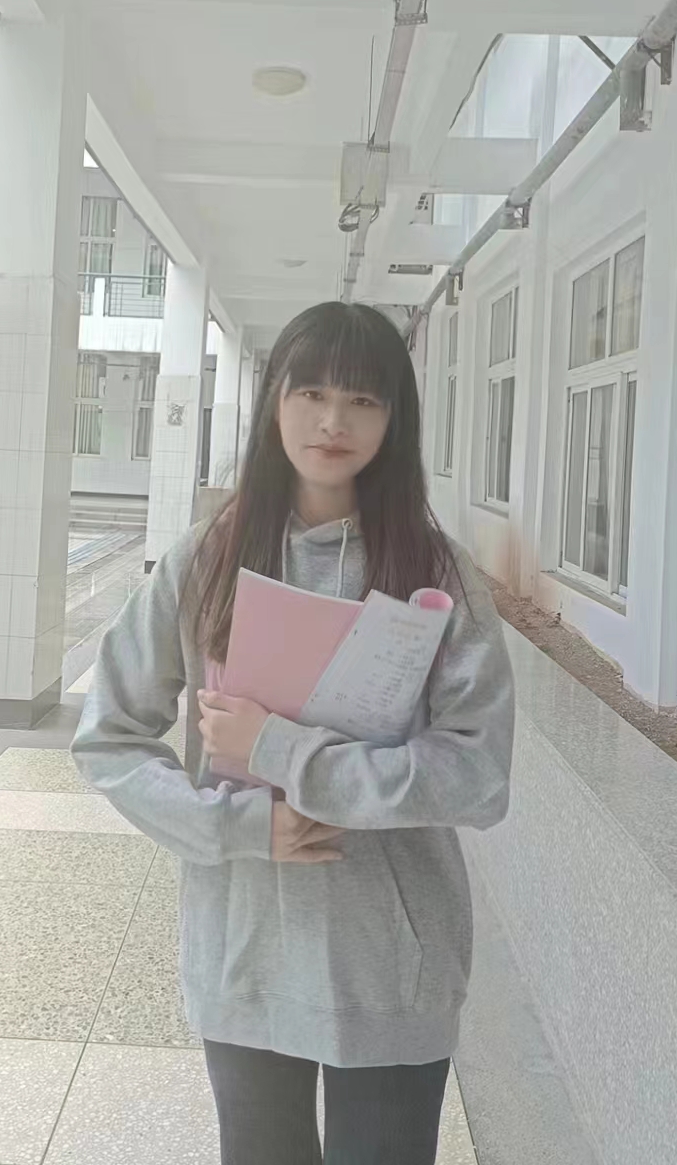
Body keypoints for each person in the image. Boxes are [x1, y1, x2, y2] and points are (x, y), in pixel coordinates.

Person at [71, 301, 515, 1165]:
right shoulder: (207, 559)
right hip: (247, 948)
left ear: (395, 419)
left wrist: (280, 750)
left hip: (390, 963)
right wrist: (239, 825)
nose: (332, 421)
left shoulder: (436, 575)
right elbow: (109, 738)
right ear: (275, 399)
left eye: (363, 400)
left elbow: (479, 775)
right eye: (310, 392)